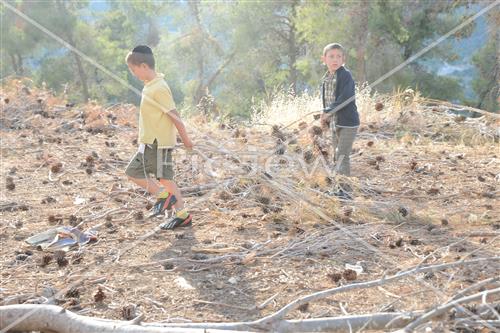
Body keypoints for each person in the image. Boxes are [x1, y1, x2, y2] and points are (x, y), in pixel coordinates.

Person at [125, 45, 193, 229]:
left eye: (134, 69)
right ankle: (182, 214)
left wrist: (186, 140)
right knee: (166, 179)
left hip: (156, 144)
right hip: (154, 141)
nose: (133, 73)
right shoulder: (151, 86)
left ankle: (163, 196)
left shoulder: (159, 88)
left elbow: (175, 116)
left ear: (144, 66)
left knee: (132, 172)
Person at [320, 43, 360, 198]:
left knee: (342, 154)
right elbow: (328, 100)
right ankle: (337, 187)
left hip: (348, 122)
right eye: (331, 56)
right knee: (336, 156)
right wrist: (325, 116)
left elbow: (346, 98)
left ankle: (345, 191)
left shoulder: (345, 75)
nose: (335, 59)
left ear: (344, 59)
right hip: (334, 123)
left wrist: (328, 111)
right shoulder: (326, 78)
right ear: (324, 59)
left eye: (338, 56)